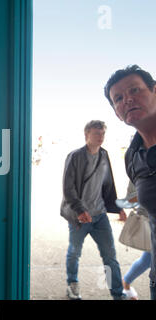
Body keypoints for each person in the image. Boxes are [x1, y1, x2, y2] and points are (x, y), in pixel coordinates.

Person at [104, 65, 156, 300]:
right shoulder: (133, 156)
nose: (128, 100)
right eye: (118, 98)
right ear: (116, 112)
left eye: (135, 90)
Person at [60, 120, 127, 300]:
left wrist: (117, 208)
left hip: (100, 216)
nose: (100, 137)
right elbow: (68, 188)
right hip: (79, 217)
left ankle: (118, 293)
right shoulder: (75, 157)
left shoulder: (104, 155)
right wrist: (80, 210)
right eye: (96, 133)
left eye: (103, 133)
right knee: (74, 252)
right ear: (86, 135)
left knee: (110, 257)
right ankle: (72, 285)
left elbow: (108, 184)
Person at [116, 181, 151, 300]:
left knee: (147, 259)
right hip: (151, 218)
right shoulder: (141, 163)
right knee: (148, 259)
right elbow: (131, 198)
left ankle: (126, 282)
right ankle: (126, 283)